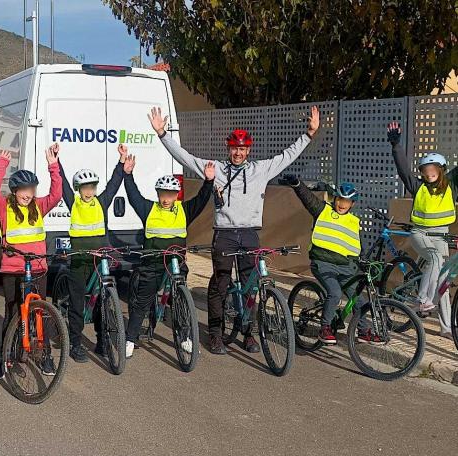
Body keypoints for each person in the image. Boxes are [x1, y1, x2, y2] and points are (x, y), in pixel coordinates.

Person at [148, 105, 320, 354]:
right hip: (225, 235)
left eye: (242, 148)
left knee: (251, 287)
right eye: (234, 148)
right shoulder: (215, 169)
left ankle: (249, 332)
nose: (238, 153)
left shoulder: (260, 170)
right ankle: (216, 334)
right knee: (220, 284)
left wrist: (309, 134)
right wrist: (163, 134)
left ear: (248, 150)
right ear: (228, 149)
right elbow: (185, 157)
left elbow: (287, 156)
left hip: (250, 233)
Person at [123, 149, 216, 359]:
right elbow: (133, 196)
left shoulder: (184, 210)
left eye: (170, 194)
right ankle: (131, 338)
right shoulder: (148, 209)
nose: (166, 198)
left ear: (176, 195)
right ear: (158, 194)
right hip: (153, 264)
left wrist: (209, 182)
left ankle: (184, 338)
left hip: (176, 263)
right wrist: (127, 175)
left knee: (181, 302)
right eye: (163, 193)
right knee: (142, 302)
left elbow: (201, 200)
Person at [0, 144, 63, 380]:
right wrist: (1, 165)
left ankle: (45, 356)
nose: (28, 194)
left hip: (38, 267)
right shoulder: (4, 207)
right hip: (13, 268)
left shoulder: (39, 206)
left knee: (42, 313)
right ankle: (4, 358)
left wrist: (53, 166)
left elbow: (57, 194)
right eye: (23, 190)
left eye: (31, 189)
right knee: (11, 314)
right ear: (15, 191)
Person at [389, 122, 457, 339]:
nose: (429, 174)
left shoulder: (452, 185)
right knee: (435, 258)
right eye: (425, 171)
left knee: (443, 281)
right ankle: (423, 300)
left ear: (441, 170)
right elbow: (402, 169)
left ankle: (446, 327)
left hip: (441, 234)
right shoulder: (417, 187)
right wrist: (395, 144)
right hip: (420, 234)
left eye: (433, 170)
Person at [57, 146, 126, 363]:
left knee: (102, 301)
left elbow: (114, 184)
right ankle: (75, 344)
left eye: (92, 187)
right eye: (85, 188)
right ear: (79, 189)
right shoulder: (74, 202)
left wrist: (122, 162)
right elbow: (63, 186)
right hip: (79, 260)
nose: (89, 191)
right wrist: (55, 162)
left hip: (99, 259)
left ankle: (102, 341)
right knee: (77, 304)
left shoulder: (102, 202)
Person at [282, 176, 364, 343]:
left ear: (352, 204)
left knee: (359, 299)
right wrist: (297, 184)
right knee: (335, 293)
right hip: (323, 263)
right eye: (340, 199)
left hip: (346, 267)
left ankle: (364, 330)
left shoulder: (354, 221)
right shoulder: (323, 210)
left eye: (347, 201)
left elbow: (354, 246)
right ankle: (324, 328)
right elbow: (308, 199)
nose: (342, 204)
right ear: (335, 199)